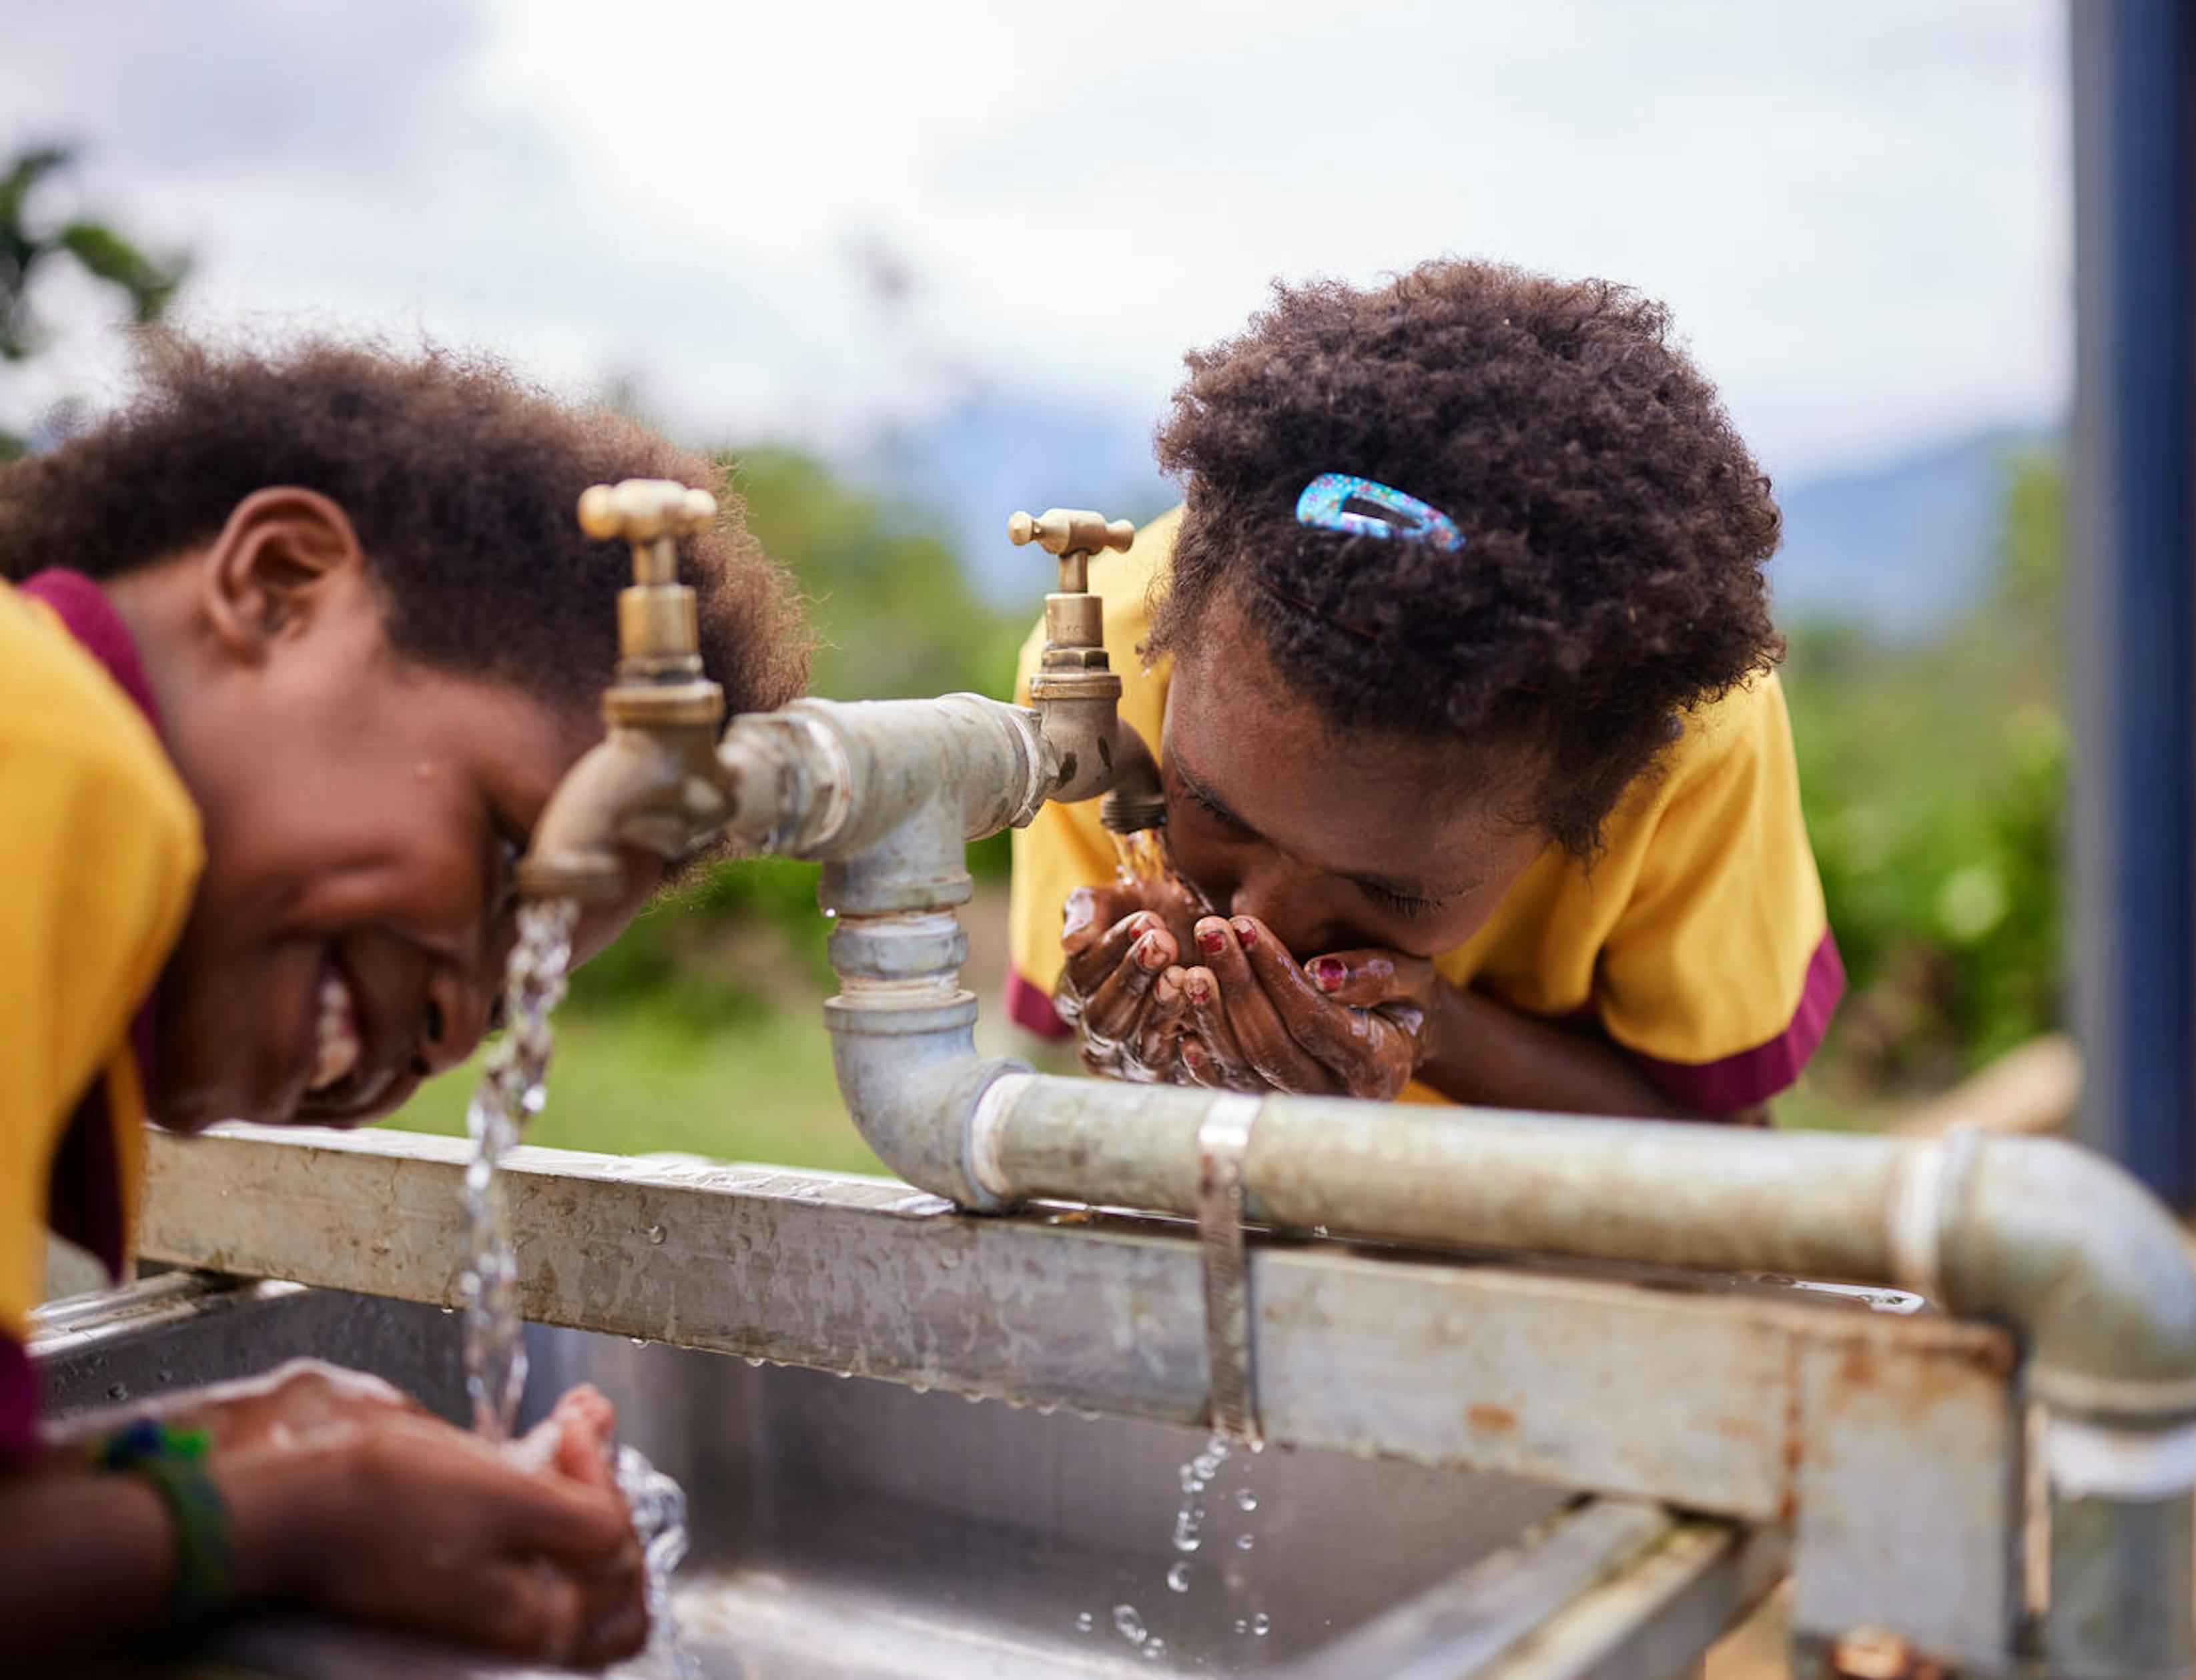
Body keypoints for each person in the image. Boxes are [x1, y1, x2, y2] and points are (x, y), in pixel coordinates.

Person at [0, 336, 808, 1663]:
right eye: (503, 852)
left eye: (504, 1003)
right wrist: (303, 1511)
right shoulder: (49, 746)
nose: (444, 1032)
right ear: (280, 585)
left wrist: (244, 1444)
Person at [1007, 261, 1838, 1120]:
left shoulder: (1676, 737)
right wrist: (1136, 1029)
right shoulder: (1100, 666)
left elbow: (1723, 1143)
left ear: (1594, 793)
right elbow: (1096, 1064)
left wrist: (1440, 1033)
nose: (1267, 924)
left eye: (1397, 892)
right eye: (1211, 809)